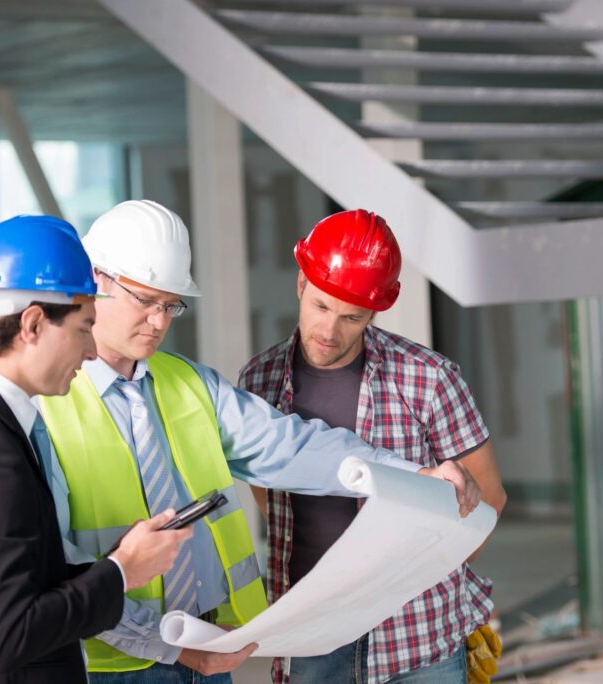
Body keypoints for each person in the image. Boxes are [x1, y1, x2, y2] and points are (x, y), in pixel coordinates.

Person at [37, 200, 481, 684]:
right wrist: (167, 646)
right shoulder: (46, 405)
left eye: (171, 305)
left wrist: (412, 473)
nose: (160, 322)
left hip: (209, 649)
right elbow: (55, 569)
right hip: (113, 665)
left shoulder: (187, 381)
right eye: (145, 300)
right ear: (96, 280)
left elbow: (291, 446)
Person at [0, 216, 192, 684]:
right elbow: (10, 634)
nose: (92, 352)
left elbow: (7, 581)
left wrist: (112, 560)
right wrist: (121, 571)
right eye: (83, 329)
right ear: (33, 323)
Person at [239, 209, 508, 684]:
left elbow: (488, 496)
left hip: (418, 634)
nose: (329, 331)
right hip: (314, 629)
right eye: (321, 306)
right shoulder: (259, 380)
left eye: (351, 317)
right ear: (301, 284)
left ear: (375, 311)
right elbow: (266, 488)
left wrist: (422, 579)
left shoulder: (427, 378)